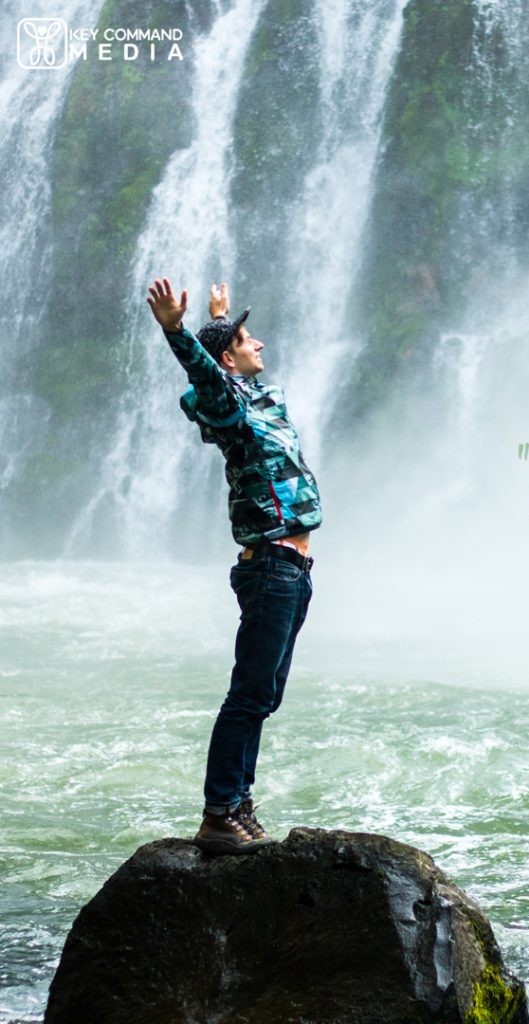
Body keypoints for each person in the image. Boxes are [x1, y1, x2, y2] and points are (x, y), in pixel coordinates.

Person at [146, 277, 322, 854]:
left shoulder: (261, 399)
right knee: (248, 695)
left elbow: (228, 372)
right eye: (249, 340)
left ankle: (238, 802)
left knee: (264, 695)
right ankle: (219, 811)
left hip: (293, 570)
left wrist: (222, 321)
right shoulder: (230, 408)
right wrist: (179, 331)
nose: (262, 343)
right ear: (228, 359)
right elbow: (206, 380)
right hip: (271, 566)